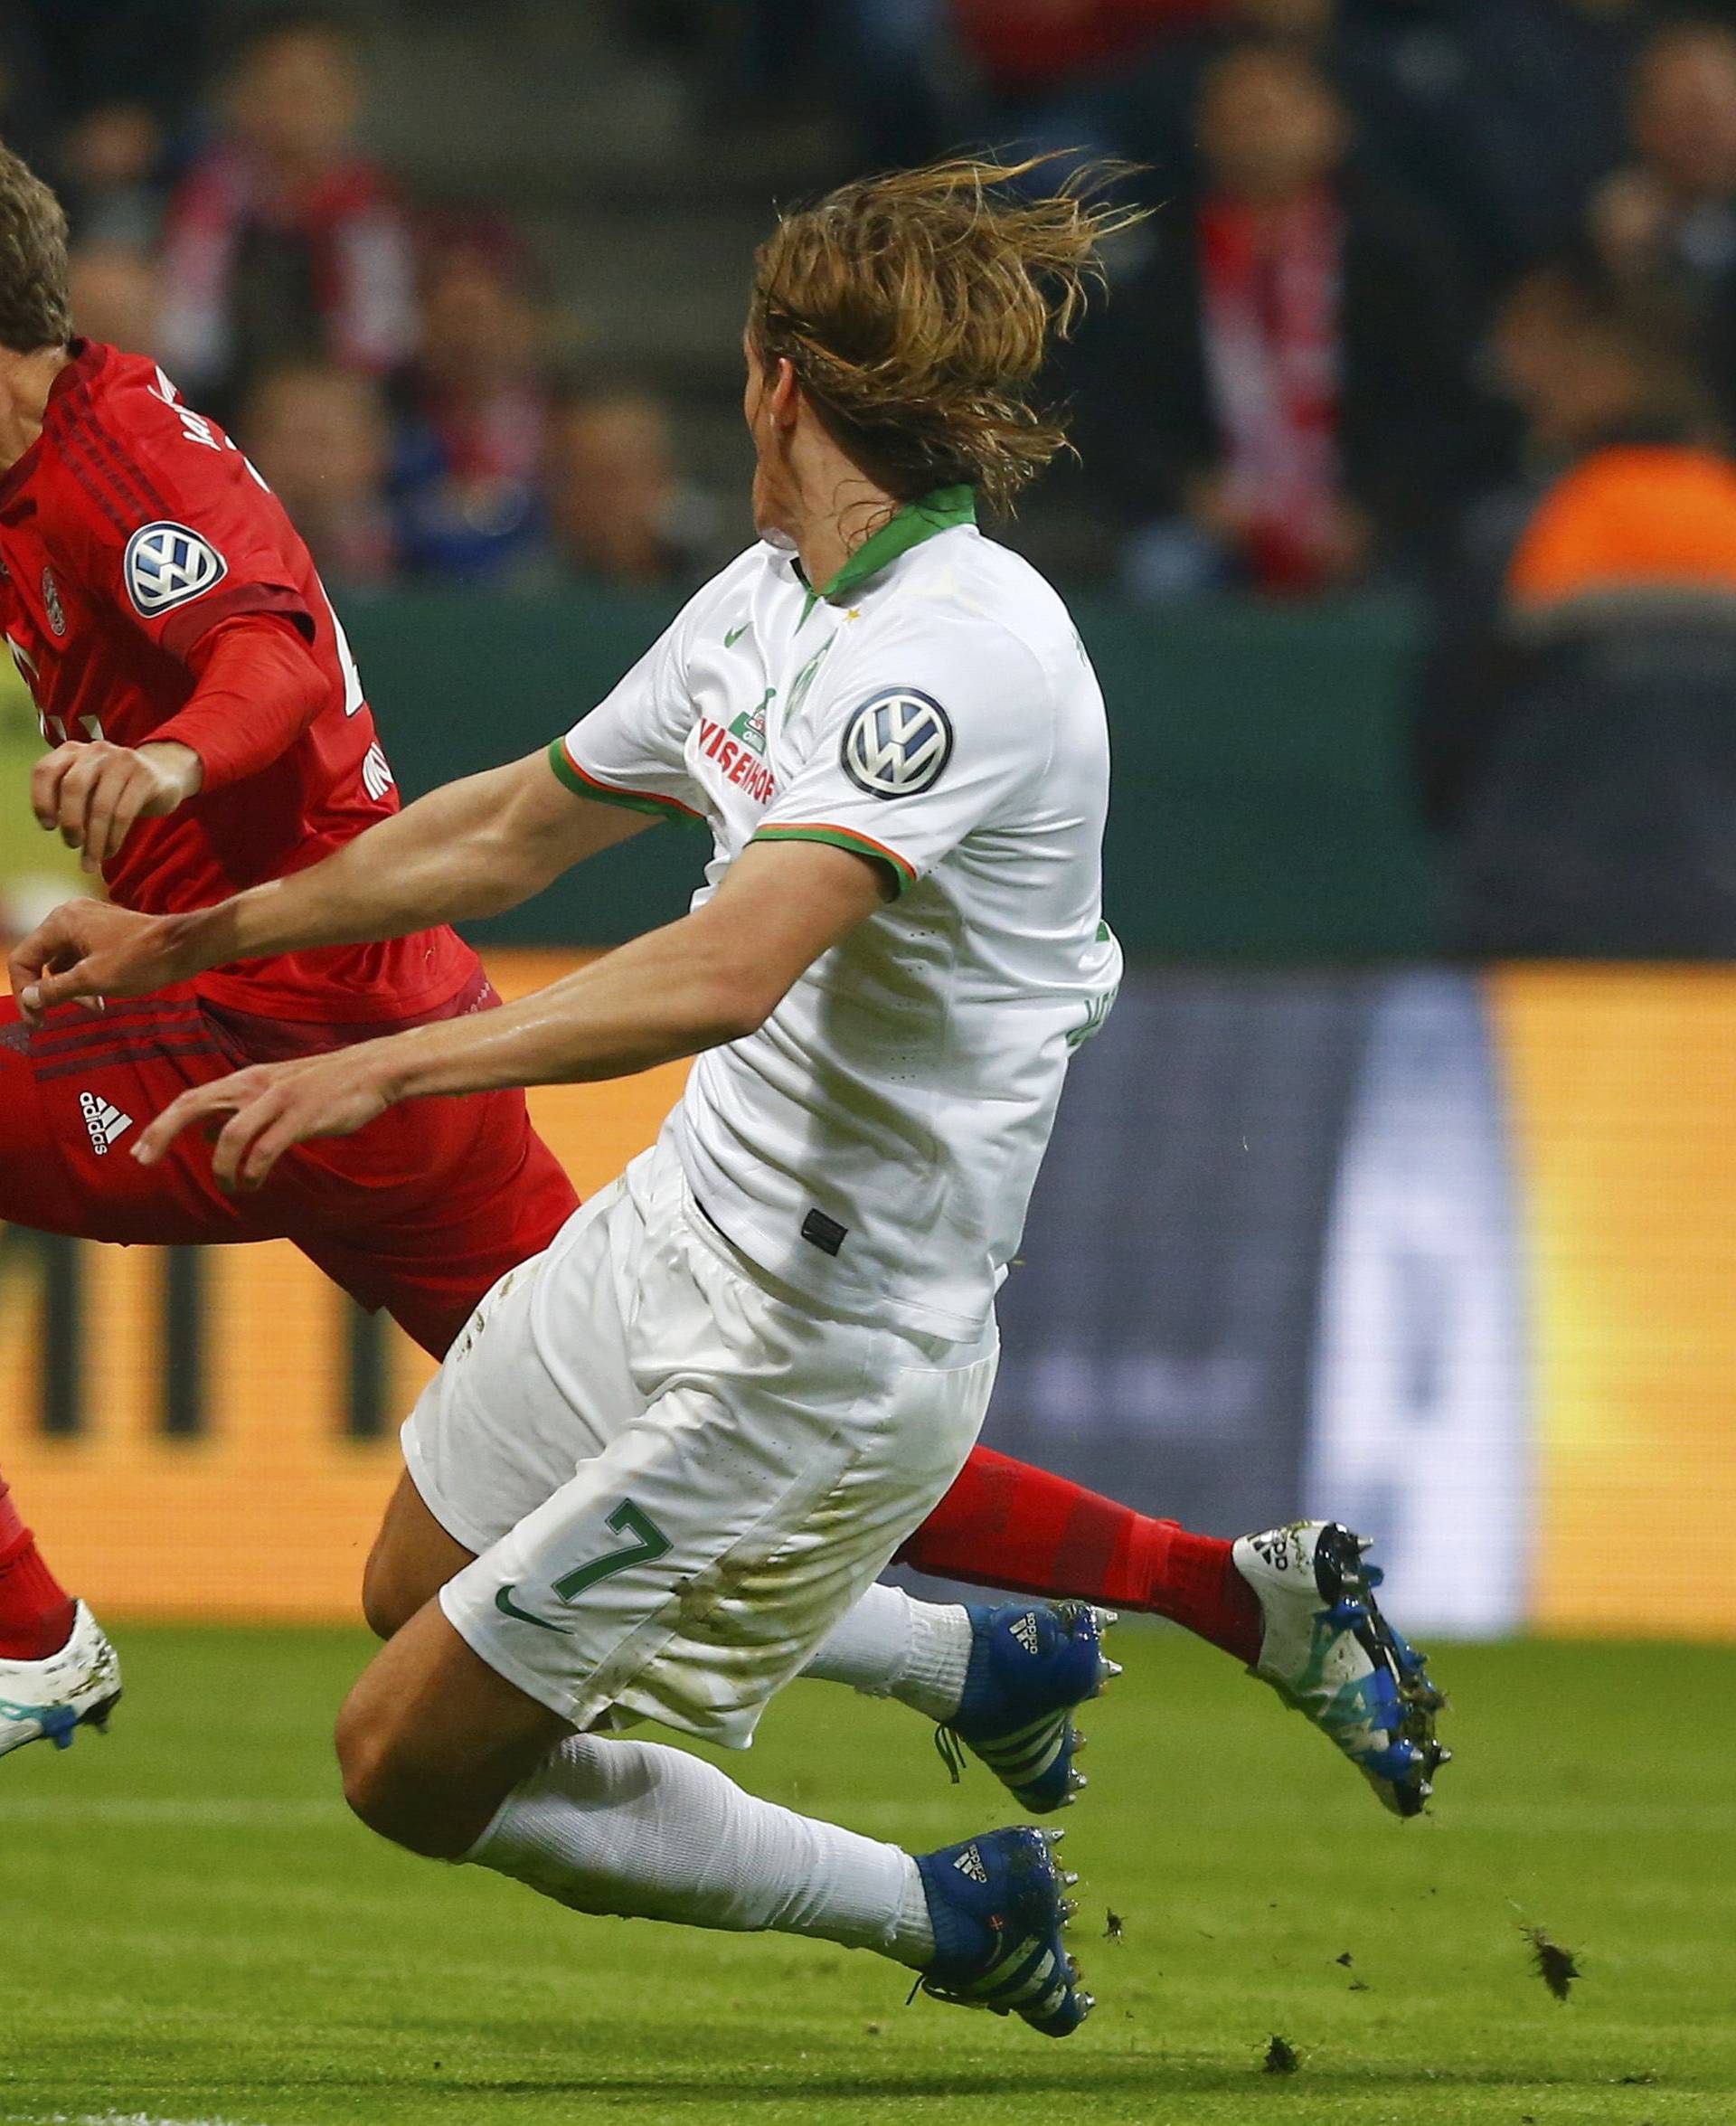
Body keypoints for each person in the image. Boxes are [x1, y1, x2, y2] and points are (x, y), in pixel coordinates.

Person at [13, 158, 1446, 2029]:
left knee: (403, 1759)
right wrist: (193, 946)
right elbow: (511, 825)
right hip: (681, 1225)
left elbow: (723, 964)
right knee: (412, 1578)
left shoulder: (963, 655)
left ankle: (951, 1904)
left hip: (825, 1333)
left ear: (780, 383)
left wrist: (381, 1056)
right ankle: (1075, 1639)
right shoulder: (767, 597)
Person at [1417, 258, 1736, 955]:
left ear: (1611, 371)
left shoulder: (1523, 534)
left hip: (1541, 925)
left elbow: (1443, 759)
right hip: (1718, 926)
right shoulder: (1726, 516)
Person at [1079, 38, 1475, 598]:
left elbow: (1442, 402)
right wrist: (1189, 491)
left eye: (1276, 110)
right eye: (1237, 115)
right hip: (1209, 523)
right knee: (1161, 573)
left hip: (1375, 519)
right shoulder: (1160, 259)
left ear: (1334, 122)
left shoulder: (1399, 253)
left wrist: (1374, 509)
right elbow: (1116, 406)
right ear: (1203, 131)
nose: (1258, 132)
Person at [154, 5, 415, 426]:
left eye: (313, 92)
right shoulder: (206, 197)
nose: (297, 110)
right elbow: (188, 336)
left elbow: (380, 338)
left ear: (349, 101)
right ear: (242, 99)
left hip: (337, 401)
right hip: (221, 398)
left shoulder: (371, 206)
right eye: (281, 89)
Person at [242, 361, 398, 591]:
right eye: (285, 440)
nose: (303, 460)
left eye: (320, 441)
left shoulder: (420, 549)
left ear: (372, 451)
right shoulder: (222, 548)